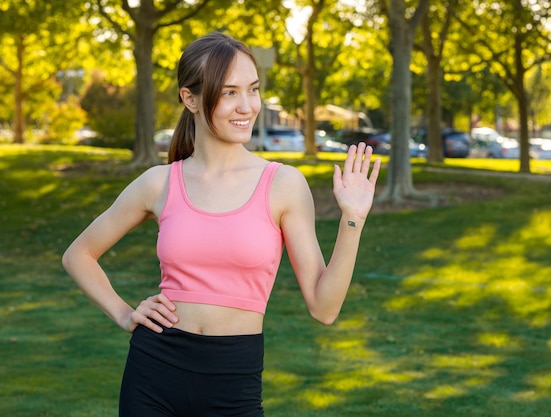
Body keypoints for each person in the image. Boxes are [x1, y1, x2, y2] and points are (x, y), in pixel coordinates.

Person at [62, 31, 381, 417]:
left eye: (253, 89)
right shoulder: (158, 183)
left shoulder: (283, 185)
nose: (246, 106)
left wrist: (353, 219)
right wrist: (124, 312)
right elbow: (79, 254)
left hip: (234, 385)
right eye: (229, 92)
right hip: (153, 375)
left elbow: (324, 308)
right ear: (190, 98)